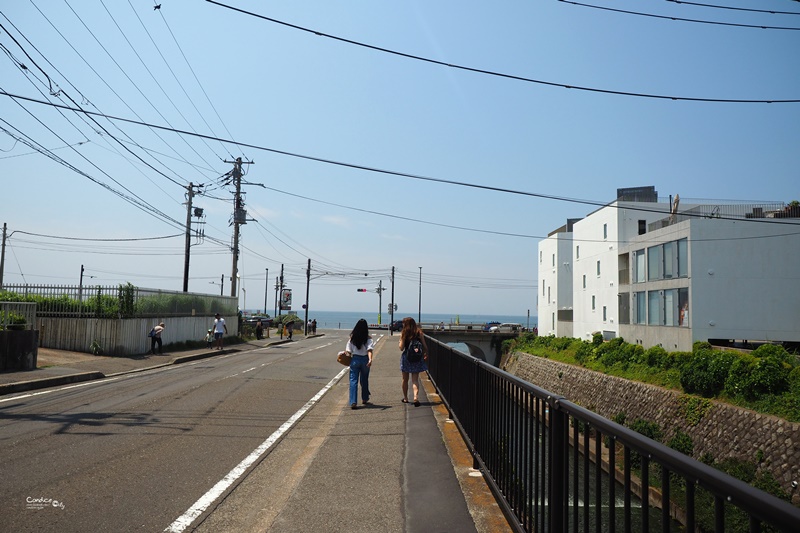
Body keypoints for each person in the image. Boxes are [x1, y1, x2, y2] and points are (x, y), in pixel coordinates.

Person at [399, 316, 428, 407]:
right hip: (417, 359)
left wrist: (401, 340)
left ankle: (406, 398)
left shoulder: (404, 333)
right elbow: (425, 346)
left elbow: (401, 348)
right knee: (415, 379)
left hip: (407, 358)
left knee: (405, 379)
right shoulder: (419, 333)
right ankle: (415, 397)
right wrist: (425, 354)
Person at [346, 318, 374, 409]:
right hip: (365, 359)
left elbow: (348, 351)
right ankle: (365, 398)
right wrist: (370, 359)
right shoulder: (368, 338)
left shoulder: (352, 338)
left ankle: (353, 401)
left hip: (355, 359)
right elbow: (369, 350)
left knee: (353, 380)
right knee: (364, 379)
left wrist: (346, 355)